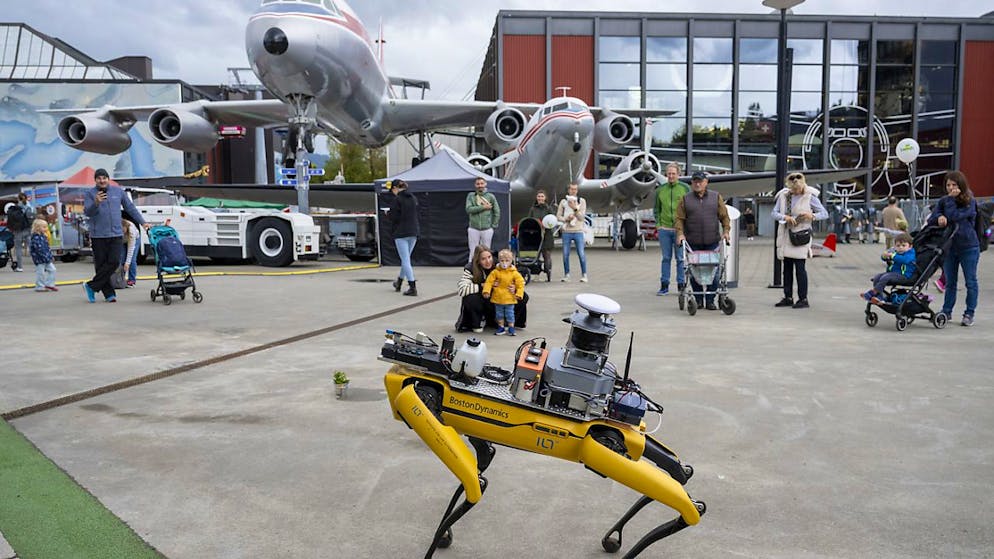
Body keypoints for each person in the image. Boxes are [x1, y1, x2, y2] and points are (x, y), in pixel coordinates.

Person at [82, 168, 149, 303]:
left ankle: (91, 286)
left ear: (108, 179)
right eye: (99, 178)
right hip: (98, 235)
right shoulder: (90, 194)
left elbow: (130, 208)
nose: (102, 181)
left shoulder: (118, 191)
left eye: (104, 178)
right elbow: (88, 212)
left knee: (114, 262)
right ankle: (109, 294)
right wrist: (96, 203)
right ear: (95, 180)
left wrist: (143, 222)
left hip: (116, 233)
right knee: (101, 266)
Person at [927, 170, 979, 326]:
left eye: (954, 185)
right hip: (949, 246)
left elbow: (954, 216)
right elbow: (932, 218)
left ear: (961, 185)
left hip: (968, 246)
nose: (950, 188)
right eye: (948, 185)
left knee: (970, 281)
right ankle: (947, 311)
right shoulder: (943, 201)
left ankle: (969, 313)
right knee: (950, 282)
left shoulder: (969, 200)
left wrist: (950, 201)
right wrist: (939, 217)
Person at [771, 171, 829, 309]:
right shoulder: (784, 196)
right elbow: (774, 213)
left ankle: (803, 298)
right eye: (794, 188)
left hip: (801, 235)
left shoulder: (810, 196)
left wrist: (811, 216)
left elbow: (824, 213)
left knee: (800, 268)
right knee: (787, 268)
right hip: (787, 235)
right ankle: (788, 296)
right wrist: (785, 217)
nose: (796, 191)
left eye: (798, 188)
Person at [675, 171, 731, 310]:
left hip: (712, 241)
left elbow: (724, 217)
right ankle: (698, 300)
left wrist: (726, 231)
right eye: (695, 181)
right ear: (692, 183)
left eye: (700, 181)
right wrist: (680, 234)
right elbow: (679, 219)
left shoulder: (715, 197)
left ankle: (710, 300)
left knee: (714, 271)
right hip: (693, 242)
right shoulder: (685, 199)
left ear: (706, 182)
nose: (697, 184)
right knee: (694, 271)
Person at [456, 245, 528, 332]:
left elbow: (520, 281)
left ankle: (508, 322)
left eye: (489, 257)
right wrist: (482, 286)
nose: (488, 261)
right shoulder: (470, 268)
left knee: (523, 296)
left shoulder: (501, 263)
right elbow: (462, 289)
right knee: (471, 298)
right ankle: (476, 323)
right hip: (483, 299)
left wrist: (515, 288)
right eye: (483, 259)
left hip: (500, 298)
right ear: (478, 261)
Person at [653, 163, 689, 294]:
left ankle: (681, 284)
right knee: (666, 258)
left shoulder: (685, 188)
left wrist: (685, 227)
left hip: (680, 231)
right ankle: (664, 285)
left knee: (680, 258)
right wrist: (659, 225)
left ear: (678, 174)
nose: (671, 176)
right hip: (664, 230)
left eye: (674, 173)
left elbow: (689, 208)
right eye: (669, 173)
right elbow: (656, 209)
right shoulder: (660, 190)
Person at [861, 232, 915, 303]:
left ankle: (874, 292)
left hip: (904, 275)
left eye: (903, 245)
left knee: (886, 277)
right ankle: (880, 296)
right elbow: (885, 256)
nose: (901, 247)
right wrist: (885, 256)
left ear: (910, 246)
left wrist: (892, 256)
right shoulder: (895, 251)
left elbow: (905, 260)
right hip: (893, 273)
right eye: (898, 246)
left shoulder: (910, 253)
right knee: (877, 277)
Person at [482, 248, 526, 336]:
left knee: (510, 314)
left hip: (510, 299)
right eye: (502, 260)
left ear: (511, 261)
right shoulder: (495, 272)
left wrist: (519, 293)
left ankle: (511, 327)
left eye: (507, 260)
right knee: (499, 314)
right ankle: (501, 327)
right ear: (499, 260)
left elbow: (520, 284)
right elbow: (489, 282)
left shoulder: (514, 273)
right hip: (498, 298)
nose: (504, 263)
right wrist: (486, 291)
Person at [387, 179, 419, 296]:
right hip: (413, 231)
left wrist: (388, 214)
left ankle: (412, 287)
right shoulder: (413, 198)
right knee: (406, 260)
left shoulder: (397, 199)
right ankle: (399, 282)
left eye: (392, 190)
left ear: (395, 188)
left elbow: (394, 217)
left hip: (401, 233)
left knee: (405, 260)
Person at [557, 183, 588, 282]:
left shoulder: (582, 201)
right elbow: (558, 216)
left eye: (575, 189)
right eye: (571, 189)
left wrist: (575, 209)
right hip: (566, 231)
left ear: (577, 190)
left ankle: (584, 275)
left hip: (578, 231)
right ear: (568, 190)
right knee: (565, 254)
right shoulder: (563, 202)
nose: (573, 191)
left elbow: (582, 217)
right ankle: (567, 275)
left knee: (581, 253)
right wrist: (566, 219)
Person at [465, 177, 499, 263]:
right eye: (478, 184)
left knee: (487, 251)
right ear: (475, 185)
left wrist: (493, 225)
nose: (480, 185)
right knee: (473, 250)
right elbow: (469, 209)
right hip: (473, 228)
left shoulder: (490, 196)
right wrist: (483, 207)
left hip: (487, 228)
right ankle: (471, 268)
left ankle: (486, 268)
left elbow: (496, 211)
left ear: (485, 184)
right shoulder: (471, 196)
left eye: (481, 183)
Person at [525, 189, 555, 282]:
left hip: (547, 234)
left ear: (545, 198)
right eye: (539, 196)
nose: (540, 198)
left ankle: (548, 271)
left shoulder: (549, 209)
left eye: (542, 196)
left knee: (546, 255)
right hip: (536, 235)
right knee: (535, 255)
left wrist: (546, 225)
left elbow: (552, 220)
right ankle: (535, 273)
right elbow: (529, 220)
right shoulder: (533, 209)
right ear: (536, 198)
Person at [7, 192, 34, 272]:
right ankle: (38, 265)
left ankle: (20, 267)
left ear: (18, 199)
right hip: (27, 229)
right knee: (32, 247)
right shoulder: (29, 206)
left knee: (18, 249)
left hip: (18, 231)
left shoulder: (16, 208)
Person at [29, 218, 57, 292]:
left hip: (46, 258)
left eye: (46, 227)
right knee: (40, 273)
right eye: (44, 227)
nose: (46, 229)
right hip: (39, 259)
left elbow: (47, 248)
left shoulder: (43, 236)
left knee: (53, 270)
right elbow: (39, 250)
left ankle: (49, 284)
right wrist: (47, 256)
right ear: (38, 228)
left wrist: (50, 256)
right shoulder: (35, 238)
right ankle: (39, 286)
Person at [121, 218, 140, 287]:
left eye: (123, 231)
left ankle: (132, 280)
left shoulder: (131, 230)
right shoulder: (115, 230)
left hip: (135, 240)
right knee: (121, 259)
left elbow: (131, 249)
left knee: (132, 260)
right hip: (122, 242)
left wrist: (127, 263)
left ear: (126, 227)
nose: (122, 232)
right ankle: (120, 279)